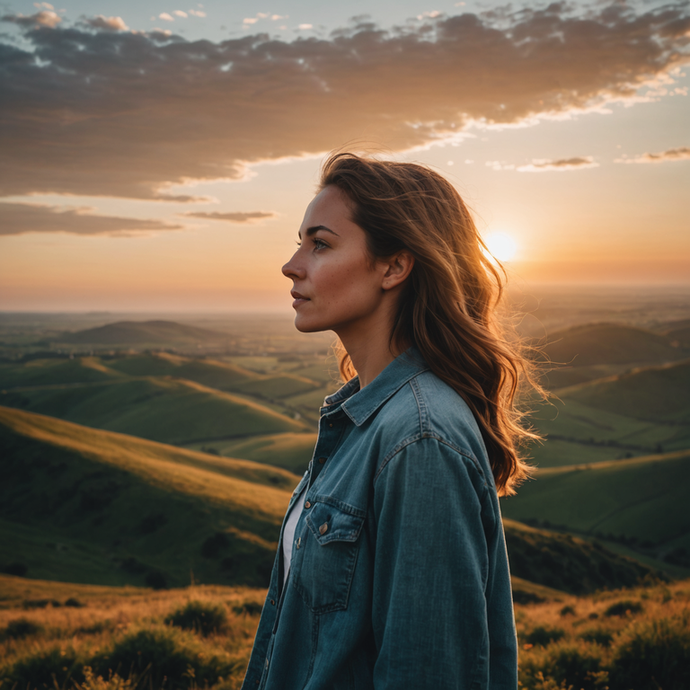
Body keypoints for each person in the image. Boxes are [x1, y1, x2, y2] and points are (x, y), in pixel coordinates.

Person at [241, 152, 540, 690]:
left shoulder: (419, 438)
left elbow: (428, 672)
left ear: (394, 266)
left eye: (321, 244)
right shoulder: (370, 421)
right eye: (301, 242)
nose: (292, 264)